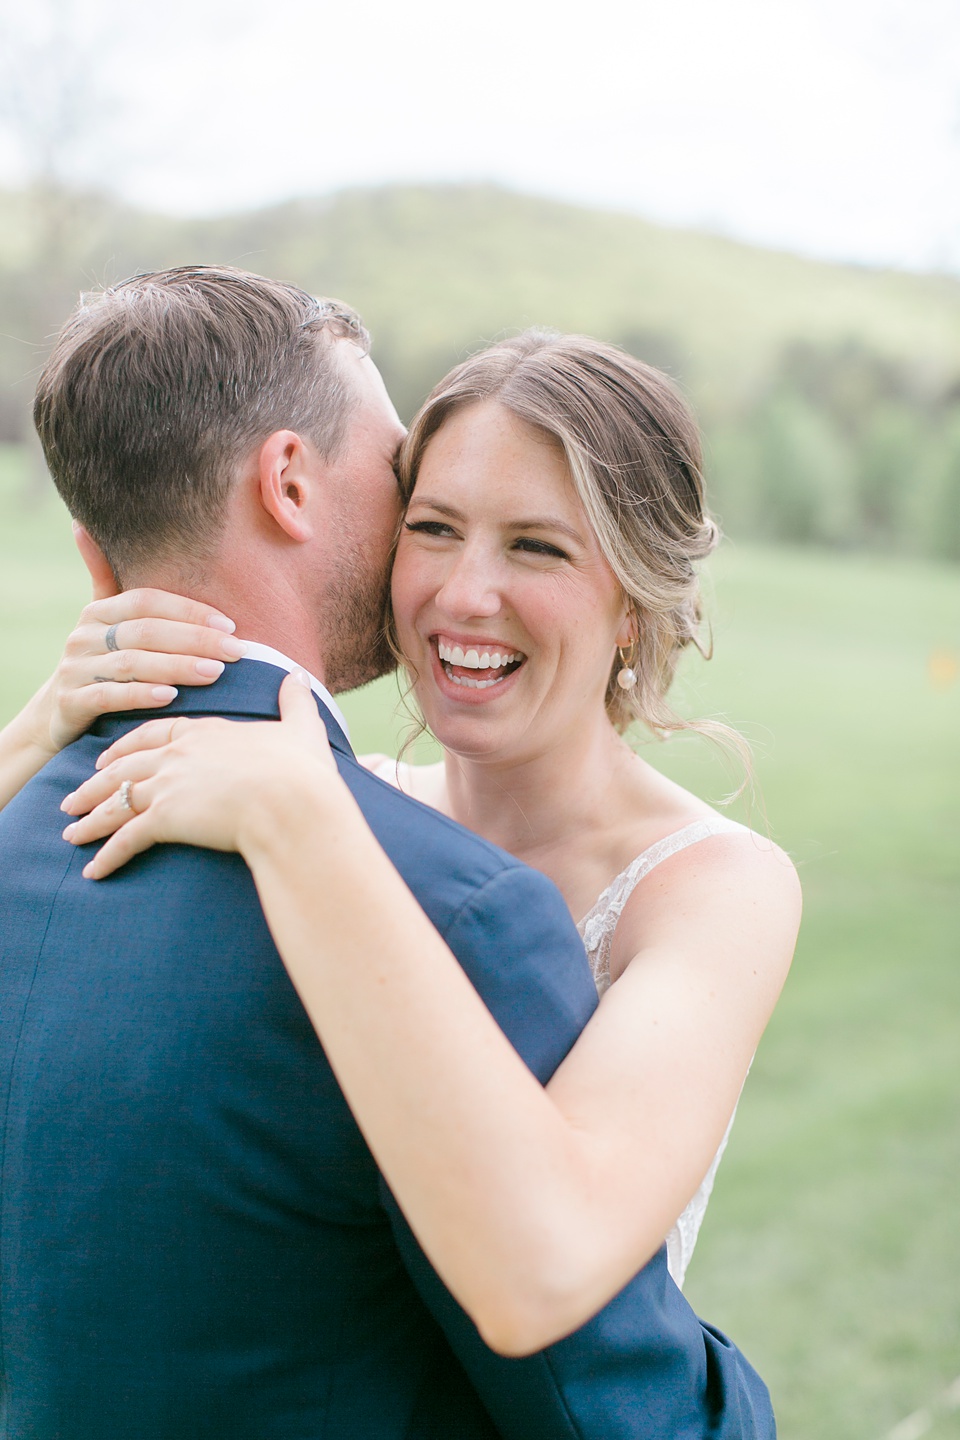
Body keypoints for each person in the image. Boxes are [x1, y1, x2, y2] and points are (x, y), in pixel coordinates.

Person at [0, 268, 781, 1439]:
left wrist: (299, 814)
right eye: (428, 525)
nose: (465, 594)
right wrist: (39, 728)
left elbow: (559, 1283)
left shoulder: (711, 886)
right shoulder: (318, 802)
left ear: (635, 599)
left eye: (537, 548)